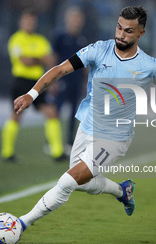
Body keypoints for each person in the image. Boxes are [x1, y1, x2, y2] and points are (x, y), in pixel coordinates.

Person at [13, 6, 156, 232]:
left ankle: (21, 223)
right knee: (81, 182)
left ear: (141, 34)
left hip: (114, 137)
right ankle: (122, 191)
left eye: (128, 31)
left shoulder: (150, 66)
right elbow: (59, 70)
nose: (120, 35)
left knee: (68, 181)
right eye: (119, 27)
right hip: (87, 127)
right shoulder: (98, 49)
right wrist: (32, 93)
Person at [1, 9, 66, 162]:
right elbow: (25, 61)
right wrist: (41, 59)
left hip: (38, 83)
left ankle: (57, 152)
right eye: (27, 20)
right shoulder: (16, 39)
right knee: (16, 116)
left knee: (51, 112)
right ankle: (7, 153)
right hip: (21, 81)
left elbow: (51, 61)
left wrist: (39, 60)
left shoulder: (41, 40)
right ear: (21, 22)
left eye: (32, 21)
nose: (30, 23)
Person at [51, 7, 87, 147]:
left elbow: (85, 63)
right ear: (67, 20)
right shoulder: (60, 37)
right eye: (73, 18)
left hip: (76, 80)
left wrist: (85, 81)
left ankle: (70, 141)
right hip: (62, 79)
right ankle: (52, 141)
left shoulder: (82, 39)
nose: (75, 21)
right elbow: (53, 59)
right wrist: (52, 81)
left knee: (74, 112)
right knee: (56, 110)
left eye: (78, 18)